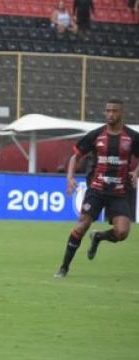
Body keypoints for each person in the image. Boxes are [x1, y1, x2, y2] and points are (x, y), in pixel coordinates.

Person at [54, 99, 139, 278]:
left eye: (114, 111)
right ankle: (64, 268)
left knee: (122, 232)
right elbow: (75, 157)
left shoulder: (131, 137)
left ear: (122, 113)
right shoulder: (96, 135)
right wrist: (69, 177)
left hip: (119, 192)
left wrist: (135, 172)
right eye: (107, 111)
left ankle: (99, 237)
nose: (110, 114)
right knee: (81, 226)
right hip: (97, 189)